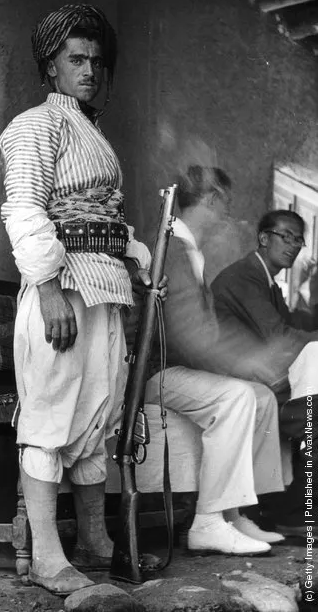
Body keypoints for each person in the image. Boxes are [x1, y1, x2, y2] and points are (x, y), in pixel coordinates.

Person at [0, 4, 165, 596]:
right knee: (49, 421)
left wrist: (141, 257)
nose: (90, 69)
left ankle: (94, 540)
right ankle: (47, 555)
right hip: (62, 292)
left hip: (103, 292)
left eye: (97, 60)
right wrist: (47, 291)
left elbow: (103, 220)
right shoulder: (35, 126)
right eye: (76, 59)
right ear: (51, 67)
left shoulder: (93, 134)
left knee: (97, 423)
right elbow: (23, 209)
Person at [145, 165, 285, 556]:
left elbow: (204, 335)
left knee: (260, 397)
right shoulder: (171, 245)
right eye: (226, 204)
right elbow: (187, 333)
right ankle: (206, 522)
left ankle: (233, 514)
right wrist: (243, 361)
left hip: (179, 369)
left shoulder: (189, 248)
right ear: (210, 199)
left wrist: (248, 361)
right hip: (155, 372)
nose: (229, 214)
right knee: (237, 396)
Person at [211, 209, 318, 534]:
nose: (293, 245)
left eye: (299, 239)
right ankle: (291, 512)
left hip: (264, 373)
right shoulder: (245, 276)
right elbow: (279, 336)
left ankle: (290, 509)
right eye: (286, 236)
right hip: (237, 373)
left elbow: (289, 324)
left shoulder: (268, 282)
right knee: (312, 410)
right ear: (263, 238)